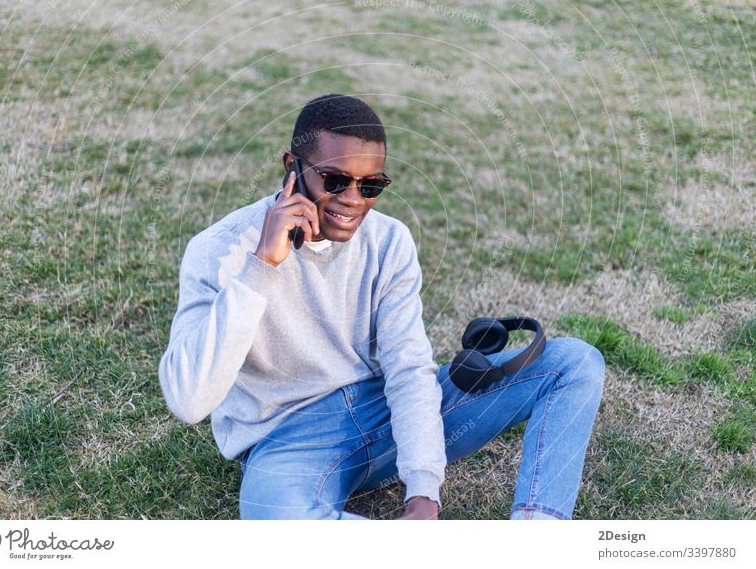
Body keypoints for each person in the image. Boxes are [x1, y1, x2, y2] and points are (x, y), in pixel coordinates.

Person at [158, 93, 606, 520]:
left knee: (574, 362)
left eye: (371, 185)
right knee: (273, 516)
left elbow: (409, 368)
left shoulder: (390, 241)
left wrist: (424, 492)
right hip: (290, 437)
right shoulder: (219, 251)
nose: (354, 200)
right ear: (292, 167)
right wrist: (262, 267)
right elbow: (187, 400)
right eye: (336, 180)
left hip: (385, 410)